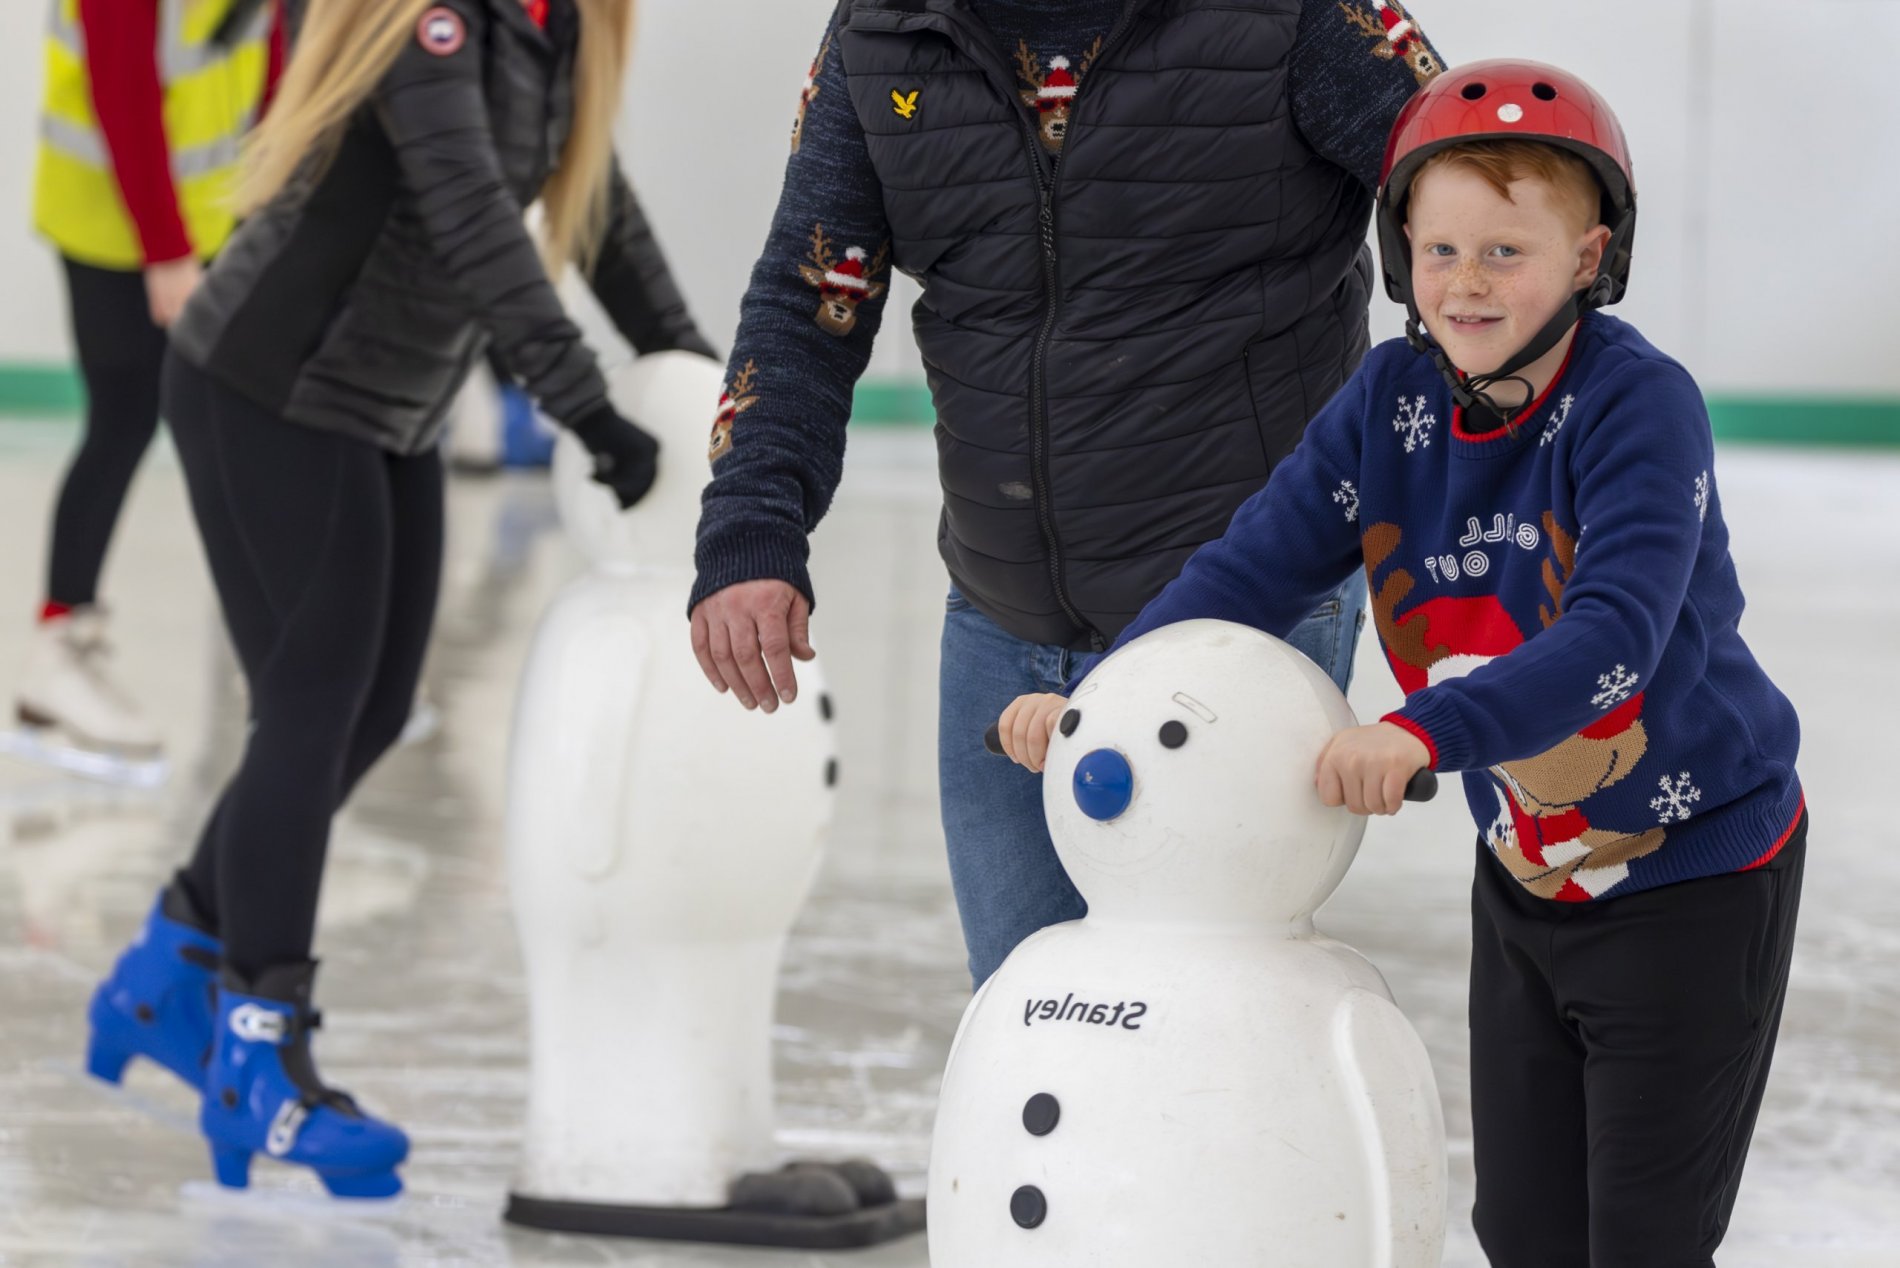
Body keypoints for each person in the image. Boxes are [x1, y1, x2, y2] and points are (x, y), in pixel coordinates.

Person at [998, 61, 1806, 1268]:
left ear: (1587, 257)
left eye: (1504, 251)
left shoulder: (1637, 404)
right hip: (1527, 875)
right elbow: (1248, 570)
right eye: (1439, 251)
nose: (1465, 282)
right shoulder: (1390, 401)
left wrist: (1422, 731)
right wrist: (1099, 703)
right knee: (1524, 1228)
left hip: (1694, 878)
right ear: (1399, 253)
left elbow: (1613, 644)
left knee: (1639, 1235)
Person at [83, 0, 713, 1199]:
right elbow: (475, 218)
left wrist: (699, 388)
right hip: (270, 390)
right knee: (312, 713)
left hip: (386, 409)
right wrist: (588, 411)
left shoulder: (559, 25)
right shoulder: (432, 21)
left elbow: (598, 213)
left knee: (365, 717)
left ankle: (163, 974)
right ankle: (257, 1066)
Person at [687, 0, 1446, 987]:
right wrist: (752, 526)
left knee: (1200, 1004)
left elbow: (1466, 205)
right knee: (1029, 1021)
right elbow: (810, 292)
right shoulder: (881, 28)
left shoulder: (1291, 14)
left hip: (1247, 619)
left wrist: (1463, 483)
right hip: (1004, 616)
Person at [19, 0, 284, 767]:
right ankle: (59, 651)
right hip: (117, 223)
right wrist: (165, 250)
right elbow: (122, 86)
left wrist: (264, 202)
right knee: (125, 421)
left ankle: (272, 650)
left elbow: (267, 48)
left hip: (212, 216)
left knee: (231, 422)